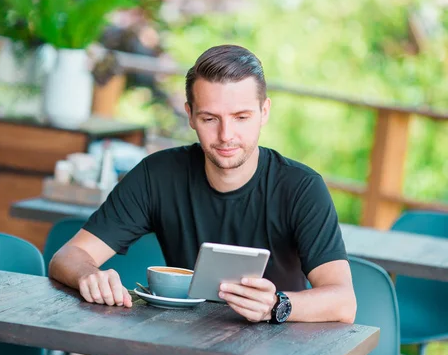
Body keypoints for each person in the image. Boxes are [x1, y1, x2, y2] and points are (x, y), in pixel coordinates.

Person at [49, 44, 357, 326]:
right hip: (182, 350)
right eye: (210, 119)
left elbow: (344, 302)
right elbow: (67, 256)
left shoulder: (301, 187)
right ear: (191, 116)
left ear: (264, 113)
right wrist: (89, 275)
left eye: (241, 117)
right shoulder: (157, 175)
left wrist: (276, 305)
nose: (226, 135)